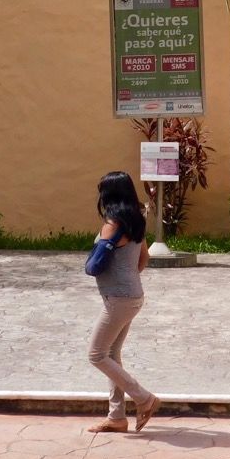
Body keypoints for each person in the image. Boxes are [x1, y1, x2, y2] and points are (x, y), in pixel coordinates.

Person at [86, 171, 161, 434]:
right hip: (132, 296)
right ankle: (116, 417)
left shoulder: (113, 224)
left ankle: (144, 398)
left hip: (119, 299)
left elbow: (97, 263)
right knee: (112, 355)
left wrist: (118, 283)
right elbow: (144, 259)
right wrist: (127, 279)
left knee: (96, 355)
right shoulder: (136, 222)